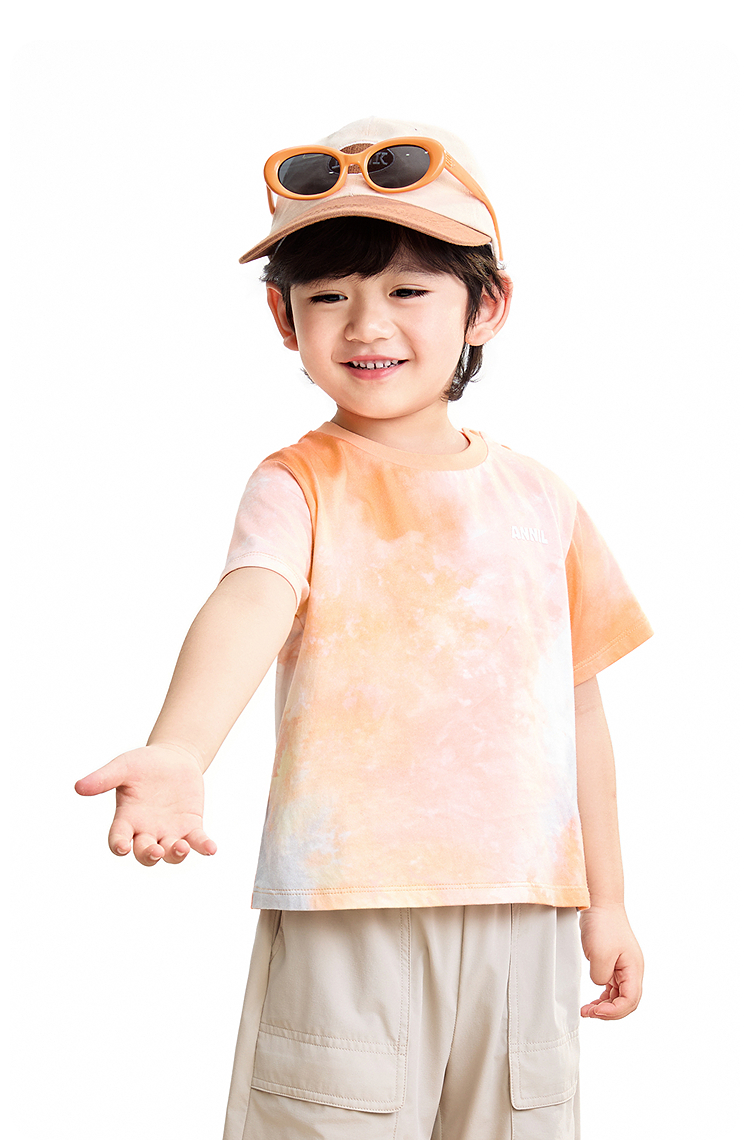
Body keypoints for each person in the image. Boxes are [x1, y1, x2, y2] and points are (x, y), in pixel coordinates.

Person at [75, 116, 653, 1139]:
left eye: (407, 291)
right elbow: (250, 600)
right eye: (329, 296)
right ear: (284, 319)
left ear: (487, 306)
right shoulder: (300, 482)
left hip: (528, 907)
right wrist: (179, 748)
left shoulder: (542, 498)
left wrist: (607, 901)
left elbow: (580, 712)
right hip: (352, 903)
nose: (366, 325)